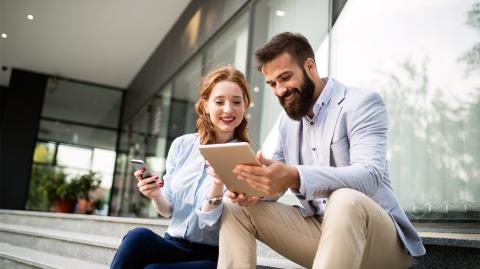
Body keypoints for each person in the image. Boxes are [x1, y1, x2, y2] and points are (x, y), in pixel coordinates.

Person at [217, 32, 426, 269]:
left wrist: (295, 176)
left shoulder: (360, 103)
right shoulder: (288, 123)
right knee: (234, 207)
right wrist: (254, 189)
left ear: (310, 66)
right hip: (321, 234)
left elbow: (370, 175)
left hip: (380, 244)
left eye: (285, 78)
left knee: (344, 198)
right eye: (272, 84)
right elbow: (276, 175)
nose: (279, 90)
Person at [110, 65, 251, 269]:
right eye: (219, 102)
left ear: (245, 104)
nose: (228, 109)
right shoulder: (182, 145)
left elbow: (208, 223)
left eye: (236, 102)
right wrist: (155, 194)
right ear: (205, 105)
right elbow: (167, 211)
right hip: (173, 243)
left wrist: (218, 185)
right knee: (136, 237)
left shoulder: (243, 157)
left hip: (213, 255)